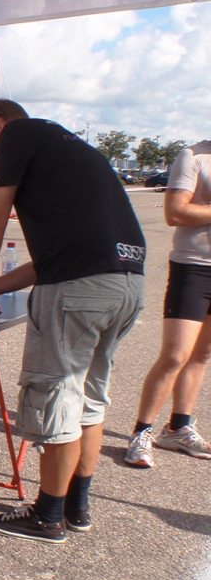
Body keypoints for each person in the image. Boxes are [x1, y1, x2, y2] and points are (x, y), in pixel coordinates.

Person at [0, 99, 145, 544]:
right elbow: (46, 263)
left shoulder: (20, 135)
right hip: (126, 283)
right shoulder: (70, 148)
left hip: (77, 293)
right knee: (89, 399)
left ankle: (47, 515)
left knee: (56, 394)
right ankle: (77, 506)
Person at [125, 141, 211, 466]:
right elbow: (174, 212)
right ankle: (142, 432)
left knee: (202, 355)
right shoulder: (194, 156)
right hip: (194, 267)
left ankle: (178, 427)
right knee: (175, 355)